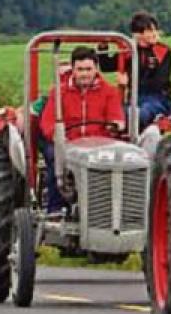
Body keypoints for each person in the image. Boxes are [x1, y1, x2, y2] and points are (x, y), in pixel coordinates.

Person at [33, 47, 125, 213]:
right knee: (56, 160)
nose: (84, 74)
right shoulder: (59, 92)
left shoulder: (109, 92)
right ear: (73, 70)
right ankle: (55, 210)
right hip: (67, 142)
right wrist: (57, 136)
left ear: (96, 69)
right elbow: (47, 122)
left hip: (98, 144)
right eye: (80, 69)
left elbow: (116, 118)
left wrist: (115, 125)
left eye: (88, 69)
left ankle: (110, 211)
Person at [99, 11, 171, 129]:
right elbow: (106, 66)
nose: (155, 34)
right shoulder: (128, 51)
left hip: (157, 98)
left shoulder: (163, 51)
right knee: (114, 115)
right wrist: (103, 47)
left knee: (140, 114)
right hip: (134, 98)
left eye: (155, 30)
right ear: (137, 34)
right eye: (150, 31)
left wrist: (128, 82)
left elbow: (159, 81)